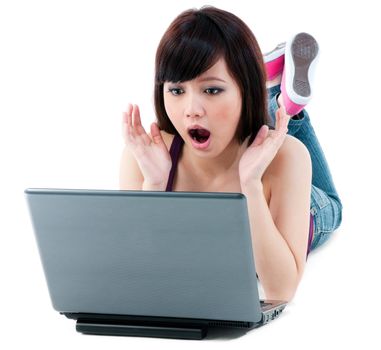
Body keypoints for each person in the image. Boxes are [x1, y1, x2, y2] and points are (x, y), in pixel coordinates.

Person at [119, 6, 343, 302]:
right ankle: (271, 90)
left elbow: (280, 290)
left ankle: (284, 105)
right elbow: (138, 274)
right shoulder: (145, 157)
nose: (191, 110)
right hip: (247, 109)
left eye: (211, 90)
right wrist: (155, 187)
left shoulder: (288, 158)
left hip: (309, 207)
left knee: (335, 210)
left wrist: (251, 186)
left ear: (243, 90)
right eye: (176, 91)